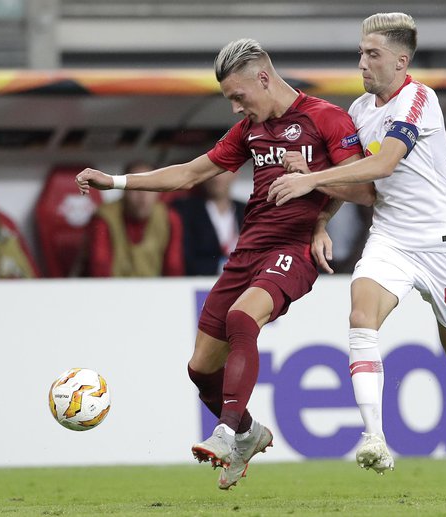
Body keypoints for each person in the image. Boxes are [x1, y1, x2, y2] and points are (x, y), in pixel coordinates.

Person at [76, 38, 373, 489]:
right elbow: (192, 173)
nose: (235, 108)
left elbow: (364, 189)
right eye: (229, 100)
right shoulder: (251, 131)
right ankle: (250, 432)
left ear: (263, 77)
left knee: (241, 318)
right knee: (200, 368)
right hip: (247, 251)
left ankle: (225, 433)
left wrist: (312, 182)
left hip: (292, 251)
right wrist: (116, 181)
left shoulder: (327, 118)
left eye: (239, 96)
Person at [269, 12, 446, 474]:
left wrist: (310, 180)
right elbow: (361, 186)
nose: (362, 63)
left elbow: (383, 167)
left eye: (372, 54)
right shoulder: (359, 112)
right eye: (361, 52)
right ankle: (374, 438)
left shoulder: (419, 101)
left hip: (442, 245)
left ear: (401, 62)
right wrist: (321, 219)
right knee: (361, 316)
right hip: (391, 239)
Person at [86, 161, 184, 277]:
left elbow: (174, 268)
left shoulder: (169, 218)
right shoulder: (104, 217)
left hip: (155, 291)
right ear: (123, 191)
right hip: (113, 291)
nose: (143, 195)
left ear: (159, 192)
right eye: (135, 187)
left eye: (150, 188)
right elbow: (100, 266)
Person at [172, 170, 246, 276]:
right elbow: (185, 259)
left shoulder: (248, 211)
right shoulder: (186, 210)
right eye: (212, 172)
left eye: (223, 171)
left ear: (235, 173)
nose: (217, 179)